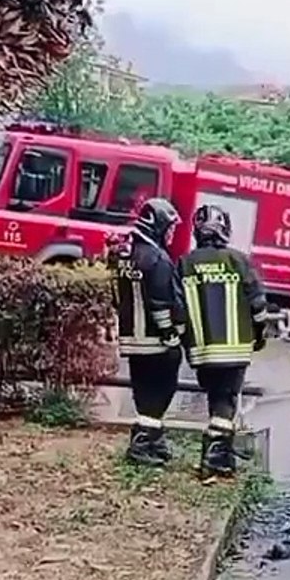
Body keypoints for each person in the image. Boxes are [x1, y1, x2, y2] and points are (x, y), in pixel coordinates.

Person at [176, 204, 271, 478]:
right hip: (236, 349)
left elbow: (177, 306)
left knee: (216, 399)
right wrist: (260, 335)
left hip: (202, 351)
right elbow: (259, 304)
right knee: (225, 403)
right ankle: (215, 459)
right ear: (225, 230)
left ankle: (221, 455)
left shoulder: (185, 263)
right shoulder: (239, 261)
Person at [114, 197, 186, 467]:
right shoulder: (157, 259)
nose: (171, 234)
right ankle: (144, 444)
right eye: (169, 227)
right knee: (161, 390)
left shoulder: (125, 253)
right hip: (155, 340)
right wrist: (171, 333)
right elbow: (161, 301)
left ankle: (151, 440)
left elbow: (116, 295)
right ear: (157, 225)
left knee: (144, 392)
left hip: (133, 339)